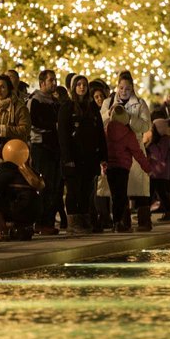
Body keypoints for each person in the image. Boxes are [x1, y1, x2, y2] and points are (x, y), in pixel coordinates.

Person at [101, 73, 154, 231]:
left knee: (140, 188)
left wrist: (129, 118)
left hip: (134, 144)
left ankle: (144, 221)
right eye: (121, 87)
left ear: (133, 89)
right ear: (117, 87)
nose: (124, 91)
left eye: (128, 88)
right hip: (114, 150)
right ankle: (122, 221)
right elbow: (101, 121)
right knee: (119, 191)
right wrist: (109, 114)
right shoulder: (108, 101)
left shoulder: (139, 103)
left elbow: (145, 126)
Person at [58, 74, 107, 234]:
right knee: (73, 190)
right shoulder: (67, 107)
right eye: (78, 84)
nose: (81, 87)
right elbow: (63, 135)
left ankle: (85, 219)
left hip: (90, 157)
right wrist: (67, 158)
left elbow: (99, 132)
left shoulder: (92, 107)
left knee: (87, 190)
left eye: (84, 84)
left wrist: (103, 156)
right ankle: (73, 221)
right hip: (73, 157)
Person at [28, 69, 63, 235]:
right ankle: (40, 221)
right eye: (51, 80)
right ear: (42, 83)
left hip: (55, 147)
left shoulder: (55, 102)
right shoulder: (35, 100)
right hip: (41, 147)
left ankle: (48, 220)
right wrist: (51, 128)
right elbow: (33, 123)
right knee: (44, 184)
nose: (54, 83)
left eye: (55, 80)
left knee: (55, 186)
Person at [146, 114, 170, 222]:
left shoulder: (164, 140)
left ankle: (168, 213)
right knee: (156, 193)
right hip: (155, 171)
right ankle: (146, 212)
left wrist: (151, 147)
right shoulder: (159, 140)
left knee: (160, 193)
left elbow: (160, 156)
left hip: (160, 172)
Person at [0, 74, 31, 143]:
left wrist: (3, 129)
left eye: (2, 87)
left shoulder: (19, 107)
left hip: (13, 147)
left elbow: (25, 129)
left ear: (9, 89)